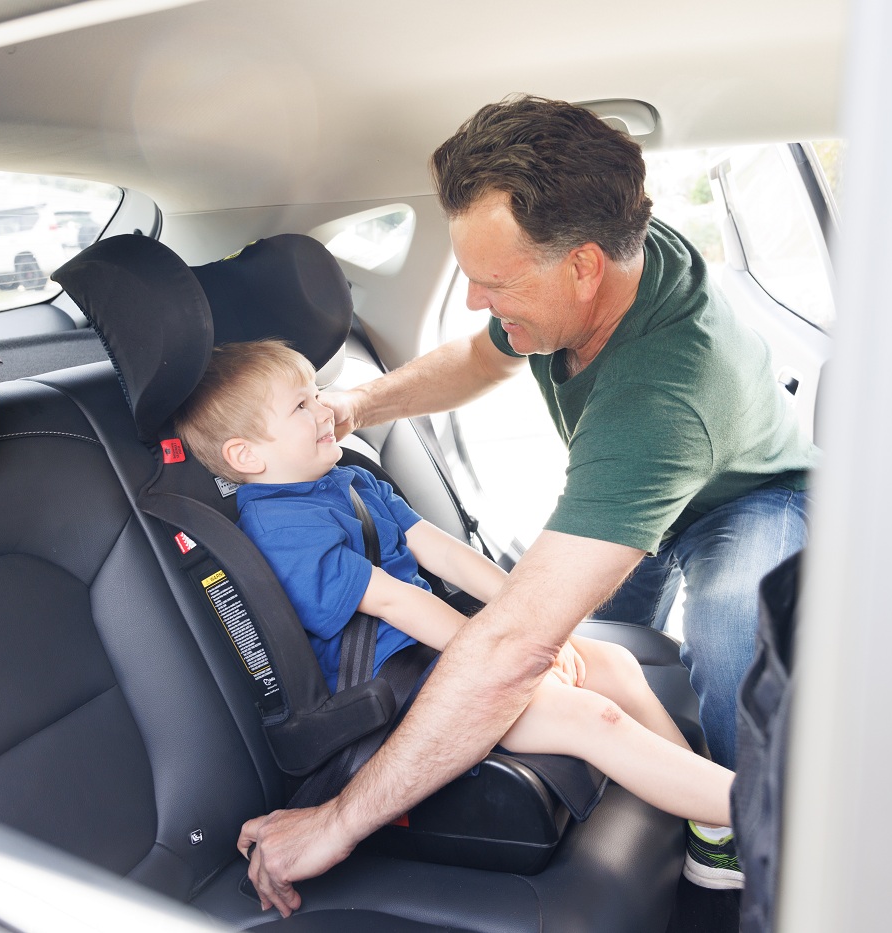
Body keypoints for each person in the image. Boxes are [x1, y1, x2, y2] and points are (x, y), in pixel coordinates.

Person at [232, 95, 818, 916]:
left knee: (733, 636)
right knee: (596, 646)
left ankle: (762, 840)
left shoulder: (661, 397)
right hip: (643, 481)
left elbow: (509, 650)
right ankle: (697, 789)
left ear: (584, 267)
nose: (475, 300)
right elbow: (478, 357)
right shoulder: (587, 266)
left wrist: (339, 820)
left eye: (493, 281)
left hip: (748, 496)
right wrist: (358, 407)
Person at [175, 341, 742, 914]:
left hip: (441, 656)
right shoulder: (281, 527)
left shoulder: (349, 480)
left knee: (614, 665)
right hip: (397, 691)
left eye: (317, 392)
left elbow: (446, 554)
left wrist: (536, 621)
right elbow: (397, 603)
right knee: (591, 716)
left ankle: (714, 833)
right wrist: (508, 654)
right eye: (301, 406)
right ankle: (765, 817)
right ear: (247, 456)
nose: (325, 408)